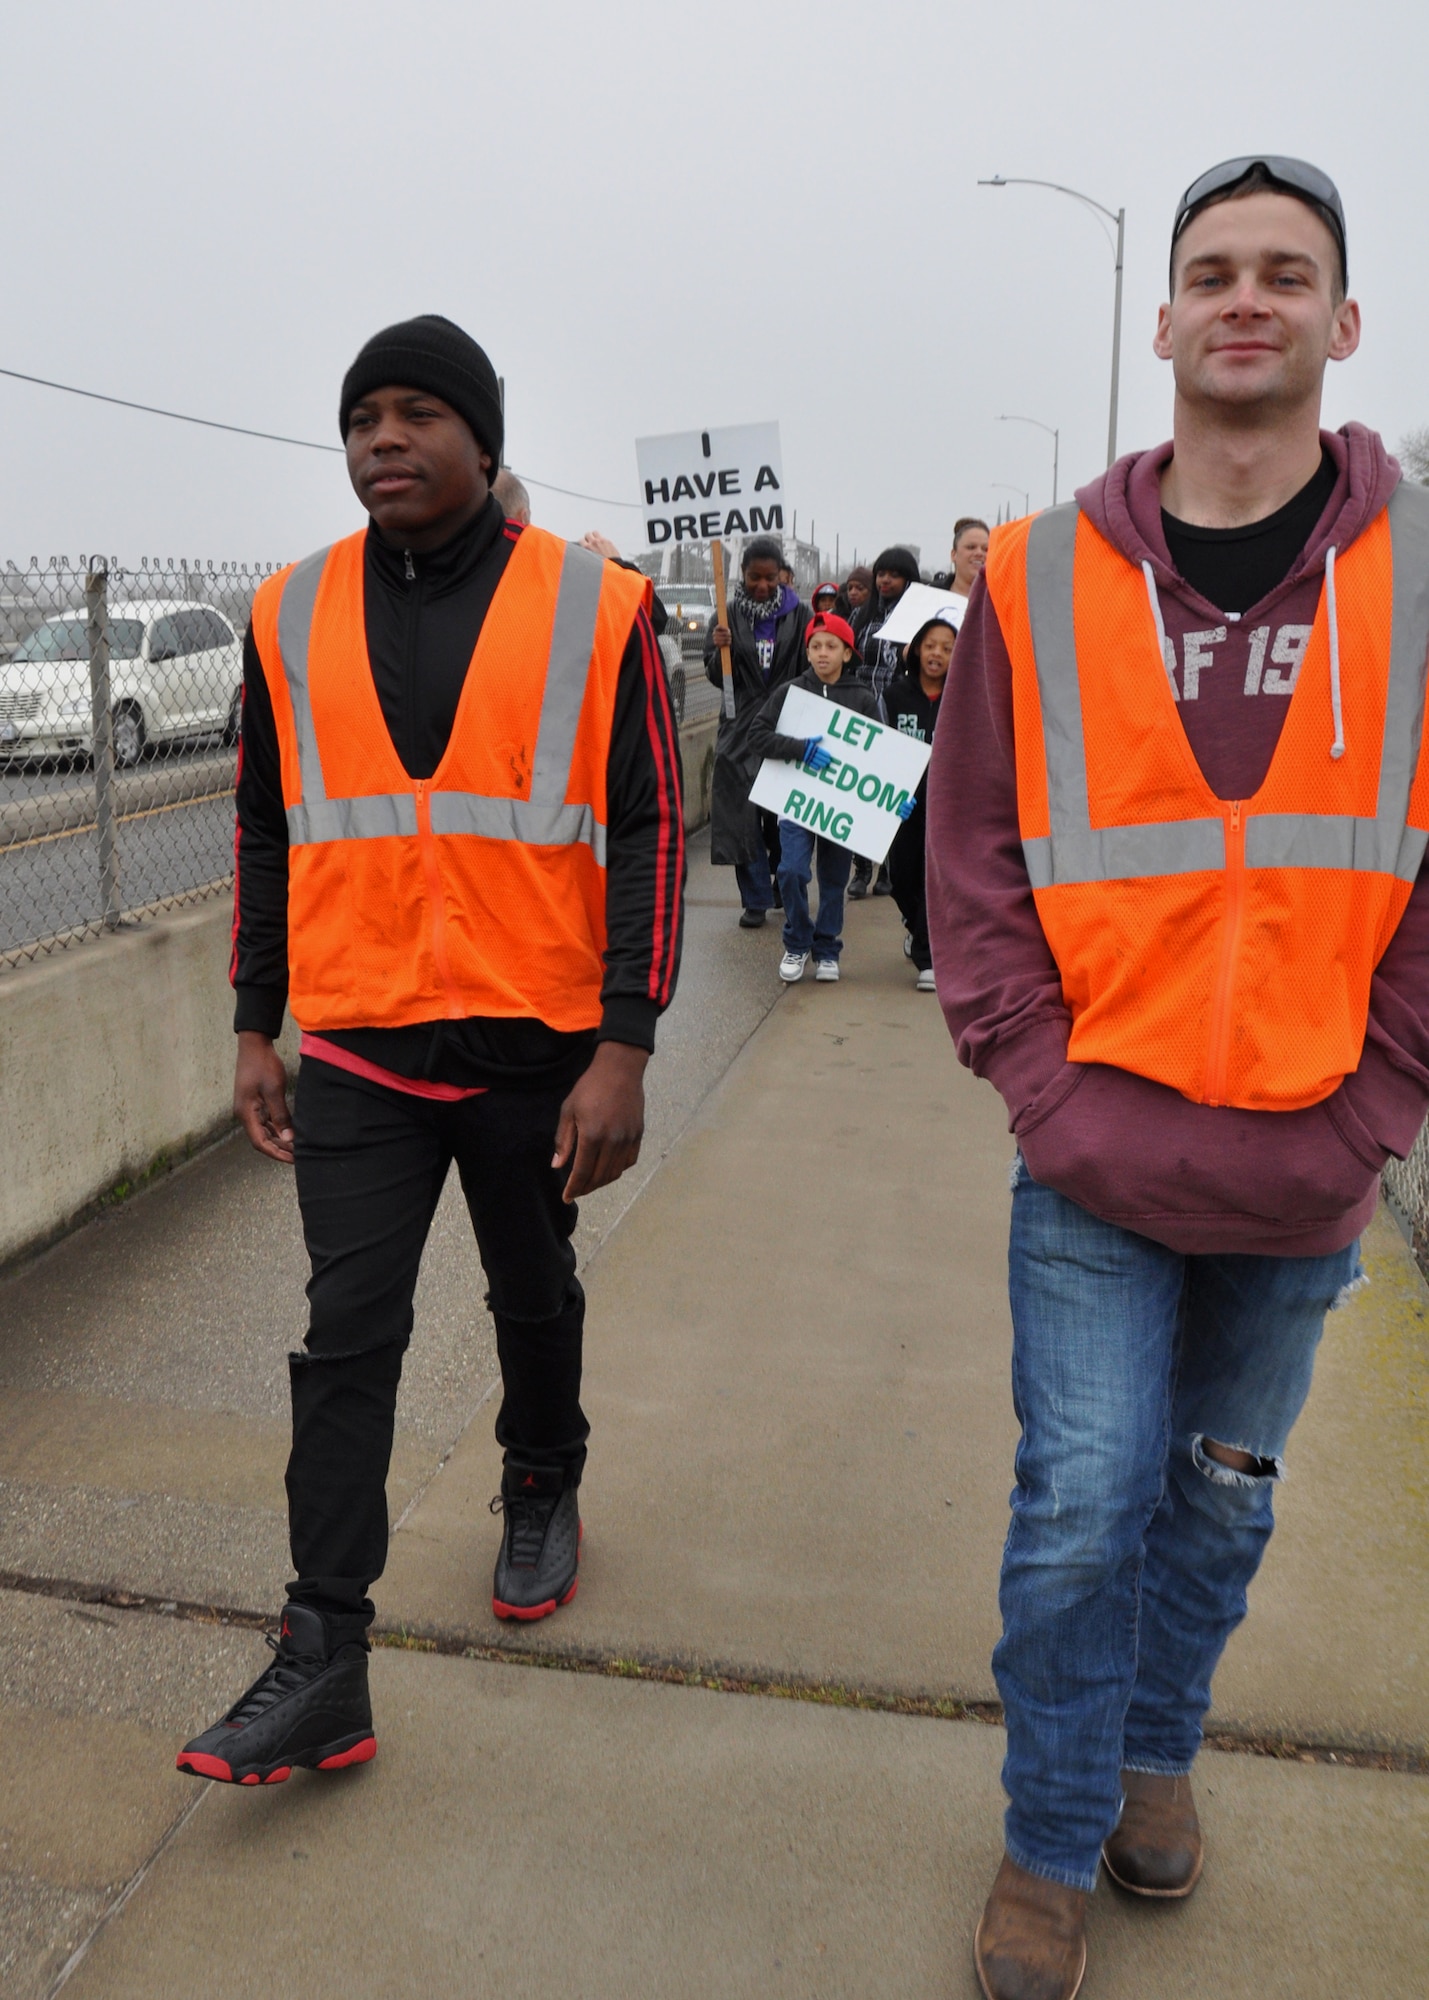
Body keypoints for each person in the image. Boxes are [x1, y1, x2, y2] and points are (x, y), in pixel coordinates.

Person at [926, 159, 1429, 2000]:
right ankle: (1049, 1837)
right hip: (1090, 1161)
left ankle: (1154, 1753)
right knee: (1079, 1498)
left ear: (1338, 323)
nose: (1243, 298)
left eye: (1282, 274)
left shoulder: (1418, 572)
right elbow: (966, 850)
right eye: (1210, 270)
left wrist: (1375, 1104)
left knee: (1215, 1498)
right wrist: (1033, 1083)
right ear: (1160, 322)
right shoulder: (1039, 574)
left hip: (1304, 1168)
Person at [176, 315, 685, 1789]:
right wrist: (251, 1023)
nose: (380, 440)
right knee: (348, 1343)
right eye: (358, 420)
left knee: (531, 1287)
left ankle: (541, 1478)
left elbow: (649, 822)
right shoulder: (286, 614)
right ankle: (323, 1654)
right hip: (362, 1052)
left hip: (537, 1047)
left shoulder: (599, 607)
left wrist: (627, 1047)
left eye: (413, 414)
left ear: (481, 436)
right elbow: (266, 829)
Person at [747, 611, 888, 982]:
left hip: (839, 809)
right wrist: (798, 749)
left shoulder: (862, 698)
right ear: (807, 652)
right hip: (796, 804)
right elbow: (756, 736)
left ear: (847, 653)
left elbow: (883, 758)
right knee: (791, 871)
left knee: (832, 880)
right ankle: (796, 942)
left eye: (831, 646)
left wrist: (893, 798)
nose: (822, 653)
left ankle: (827, 949)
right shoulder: (790, 693)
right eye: (815, 646)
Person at [704, 536, 807, 927]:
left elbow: (809, 669)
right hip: (739, 728)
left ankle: (784, 884)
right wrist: (719, 651)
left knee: (781, 814)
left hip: (784, 723)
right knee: (741, 817)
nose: (761, 585)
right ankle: (755, 899)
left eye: (769, 577)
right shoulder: (725, 615)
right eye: (753, 577)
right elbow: (717, 677)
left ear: (781, 575)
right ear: (742, 575)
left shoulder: (800, 616)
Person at [885, 615, 953, 991]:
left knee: (933, 881)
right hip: (903, 804)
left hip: (946, 807)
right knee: (901, 879)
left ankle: (928, 959)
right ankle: (915, 927)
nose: (937, 654)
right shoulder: (894, 695)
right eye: (930, 645)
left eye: (947, 648)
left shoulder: (963, 696)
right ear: (915, 648)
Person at [849, 545, 921, 898]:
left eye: (893, 574)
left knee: (891, 793)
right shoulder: (861, 615)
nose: (885, 580)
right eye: (881, 574)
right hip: (861, 710)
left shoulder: (917, 618)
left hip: (897, 710)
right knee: (861, 792)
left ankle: (888, 870)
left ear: (908, 579)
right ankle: (861, 868)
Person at [932, 517, 990, 624]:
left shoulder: (1003, 601)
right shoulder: (929, 595)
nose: (979, 553)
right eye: (971, 547)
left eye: (985, 549)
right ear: (953, 554)